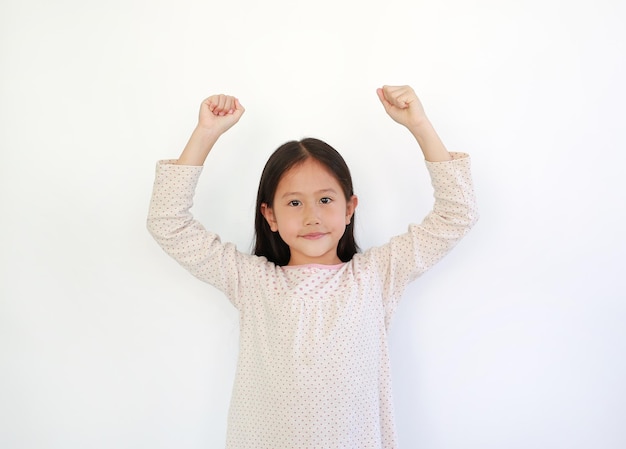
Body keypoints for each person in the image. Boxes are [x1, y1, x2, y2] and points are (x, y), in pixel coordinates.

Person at [147, 85, 478, 448]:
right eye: (293, 203)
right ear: (269, 215)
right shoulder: (253, 282)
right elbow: (168, 222)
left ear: (349, 208)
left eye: (325, 199)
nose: (312, 217)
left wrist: (419, 124)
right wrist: (205, 133)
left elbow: (456, 214)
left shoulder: (375, 276)